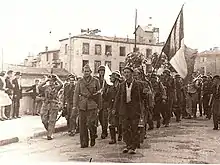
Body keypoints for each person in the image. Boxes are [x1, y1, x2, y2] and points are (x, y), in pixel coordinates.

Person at [113, 66, 144, 154]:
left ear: (132, 74)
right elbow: (117, 98)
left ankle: (133, 147)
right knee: (125, 128)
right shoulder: (122, 85)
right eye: (125, 72)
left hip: (135, 109)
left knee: (134, 128)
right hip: (124, 109)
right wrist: (115, 108)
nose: (126, 74)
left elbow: (143, 97)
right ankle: (128, 145)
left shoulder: (138, 85)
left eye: (128, 72)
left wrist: (145, 92)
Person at [73, 64, 101, 148]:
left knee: (91, 123)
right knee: (82, 125)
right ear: (83, 72)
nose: (86, 73)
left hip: (92, 105)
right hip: (82, 105)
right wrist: (75, 105)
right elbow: (76, 93)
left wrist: (100, 106)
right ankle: (84, 143)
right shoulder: (80, 81)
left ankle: (93, 136)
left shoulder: (96, 81)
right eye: (85, 71)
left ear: (91, 72)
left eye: (88, 71)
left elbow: (99, 94)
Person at [38, 74, 63, 140]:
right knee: (44, 119)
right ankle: (49, 130)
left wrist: (57, 78)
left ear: (54, 81)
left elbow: (61, 84)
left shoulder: (56, 87)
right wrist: (46, 80)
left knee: (52, 120)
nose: (51, 82)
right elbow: (39, 86)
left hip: (54, 104)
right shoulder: (46, 87)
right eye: (50, 81)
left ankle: (50, 134)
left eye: (52, 81)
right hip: (46, 104)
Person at [106, 71, 122, 144]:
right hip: (112, 107)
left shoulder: (121, 87)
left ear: (116, 78)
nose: (110, 78)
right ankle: (113, 139)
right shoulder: (110, 88)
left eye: (112, 77)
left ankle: (120, 135)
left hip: (120, 107)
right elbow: (107, 98)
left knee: (120, 122)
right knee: (112, 123)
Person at [97, 65, 109, 139]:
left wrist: (105, 92)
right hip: (98, 101)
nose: (101, 72)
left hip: (105, 101)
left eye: (103, 71)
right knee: (100, 117)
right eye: (100, 71)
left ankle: (104, 131)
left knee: (104, 117)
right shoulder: (97, 80)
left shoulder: (107, 80)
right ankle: (103, 129)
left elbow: (109, 90)